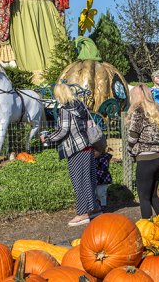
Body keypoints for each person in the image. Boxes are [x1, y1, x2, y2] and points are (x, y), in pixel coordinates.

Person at [41, 84, 100, 226]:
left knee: (78, 180)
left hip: (76, 148)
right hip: (88, 145)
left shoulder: (65, 110)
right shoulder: (80, 104)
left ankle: (82, 213)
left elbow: (63, 130)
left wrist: (47, 137)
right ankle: (94, 208)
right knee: (89, 179)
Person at [127, 84, 159, 219]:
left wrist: (129, 150)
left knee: (143, 197)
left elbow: (133, 135)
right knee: (153, 195)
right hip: (158, 156)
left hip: (145, 158)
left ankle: (147, 227)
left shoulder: (138, 111)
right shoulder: (156, 110)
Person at [94, 146, 112, 212]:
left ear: (101, 151)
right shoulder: (90, 159)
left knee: (101, 193)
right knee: (95, 193)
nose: (93, 153)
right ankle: (97, 206)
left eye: (95, 151)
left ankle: (103, 205)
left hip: (102, 179)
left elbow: (102, 166)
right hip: (94, 180)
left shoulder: (104, 158)